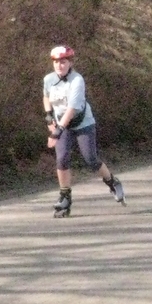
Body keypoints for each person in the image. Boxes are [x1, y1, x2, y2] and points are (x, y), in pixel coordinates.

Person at [43, 45, 125, 217]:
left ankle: (112, 182)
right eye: (56, 62)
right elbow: (46, 96)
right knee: (61, 159)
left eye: (63, 62)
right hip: (62, 123)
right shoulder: (49, 79)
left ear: (70, 63)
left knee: (90, 159)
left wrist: (57, 131)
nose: (59, 66)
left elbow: (72, 109)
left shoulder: (77, 80)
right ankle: (65, 197)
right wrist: (49, 116)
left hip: (82, 123)